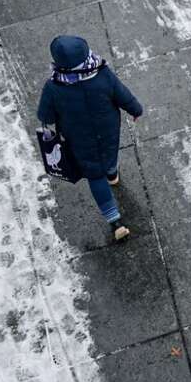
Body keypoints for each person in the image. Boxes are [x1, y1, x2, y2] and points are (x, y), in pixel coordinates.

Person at [37, 34, 144, 246]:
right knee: (110, 153)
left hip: (79, 141)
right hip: (109, 130)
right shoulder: (102, 73)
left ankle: (115, 222)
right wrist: (135, 109)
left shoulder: (53, 87)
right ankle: (113, 174)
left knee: (95, 176)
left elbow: (45, 117)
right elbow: (122, 94)